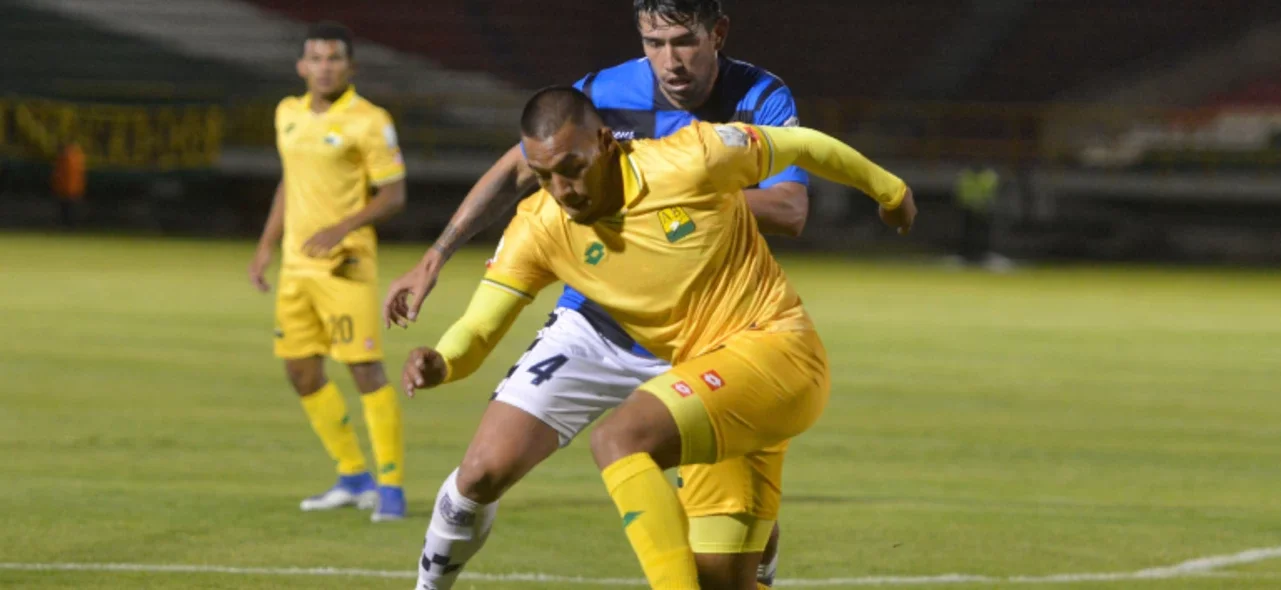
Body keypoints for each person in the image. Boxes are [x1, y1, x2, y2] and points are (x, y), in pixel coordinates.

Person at [403, 86, 916, 589]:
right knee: (723, 583)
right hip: (714, 387)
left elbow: (803, 145)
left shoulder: (692, 158)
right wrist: (442, 361)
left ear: (605, 143)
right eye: (543, 176)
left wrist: (890, 191)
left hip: (777, 352)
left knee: (618, 440)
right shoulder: (538, 227)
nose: (562, 190)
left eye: (572, 169)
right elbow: (479, 325)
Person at [385, 1, 810, 587]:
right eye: (652, 43)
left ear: (718, 33)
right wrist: (436, 254)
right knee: (481, 472)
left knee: (723, 556)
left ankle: (753, 552)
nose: (669, 61)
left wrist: (673, 196)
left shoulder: (760, 97)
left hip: (708, 335)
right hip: (595, 320)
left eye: (683, 41)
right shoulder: (602, 94)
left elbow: (790, 207)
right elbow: (518, 168)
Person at [248, 21, 408, 522]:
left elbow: (394, 194)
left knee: (364, 370)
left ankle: (391, 488)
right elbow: (288, 184)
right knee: (300, 369)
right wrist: (265, 247)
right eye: (315, 58)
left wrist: (343, 228)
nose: (324, 67)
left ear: (350, 66)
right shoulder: (287, 113)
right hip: (297, 268)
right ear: (301, 66)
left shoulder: (369, 120)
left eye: (333, 58)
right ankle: (352, 475)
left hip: (346, 265)